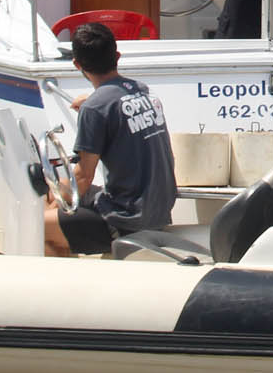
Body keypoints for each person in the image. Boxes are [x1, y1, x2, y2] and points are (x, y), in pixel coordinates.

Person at [45, 21, 177, 256]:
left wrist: (54, 209)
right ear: (116, 56)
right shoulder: (142, 90)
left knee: (38, 226)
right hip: (157, 212)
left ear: (77, 64)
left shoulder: (95, 109)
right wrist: (91, 100)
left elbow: (84, 177)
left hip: (124, 221)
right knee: (54, 190)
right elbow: (116, 103)